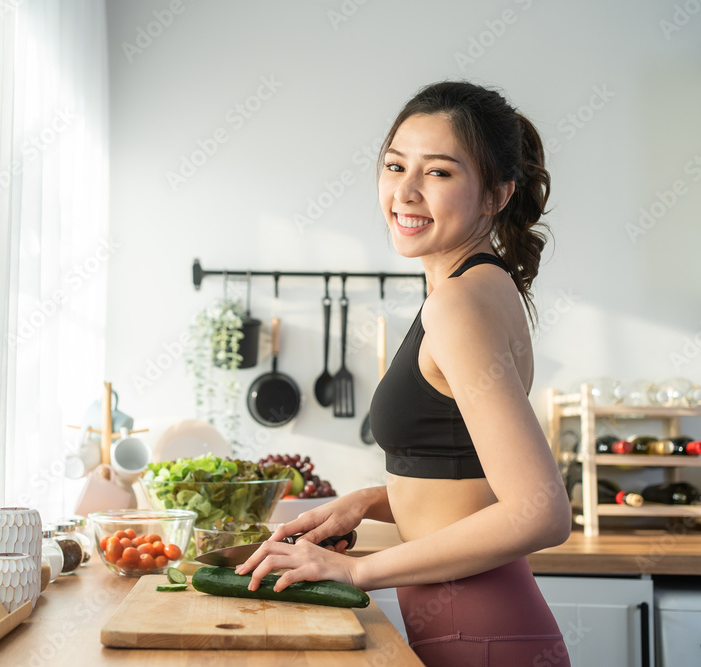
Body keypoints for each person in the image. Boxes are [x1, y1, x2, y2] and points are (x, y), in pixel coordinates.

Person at [236, 81, 572, 666]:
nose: (405, 192)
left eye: (439, 173)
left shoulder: (459, 303)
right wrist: (369, 501)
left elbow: (540, 511)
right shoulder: (481, 286)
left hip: (482, 639)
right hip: (480, 633)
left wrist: (355, 569)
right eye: (395, 166)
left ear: (495, 194)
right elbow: (463, 477)